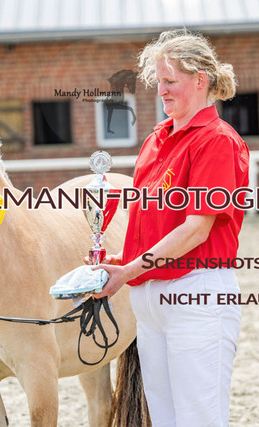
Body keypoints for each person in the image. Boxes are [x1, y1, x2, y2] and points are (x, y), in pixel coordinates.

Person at [86, 29, 249, 426]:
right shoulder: (156, 139)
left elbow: (196, 230)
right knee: (164, 419)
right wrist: (119, 257)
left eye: (170, 81)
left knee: (199, 418)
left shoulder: (216, 141)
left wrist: (129, 270)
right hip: (151, 299)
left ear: (200, 80)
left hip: (195, 293)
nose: (161, 90)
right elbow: (153, 222)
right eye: (158, 81)